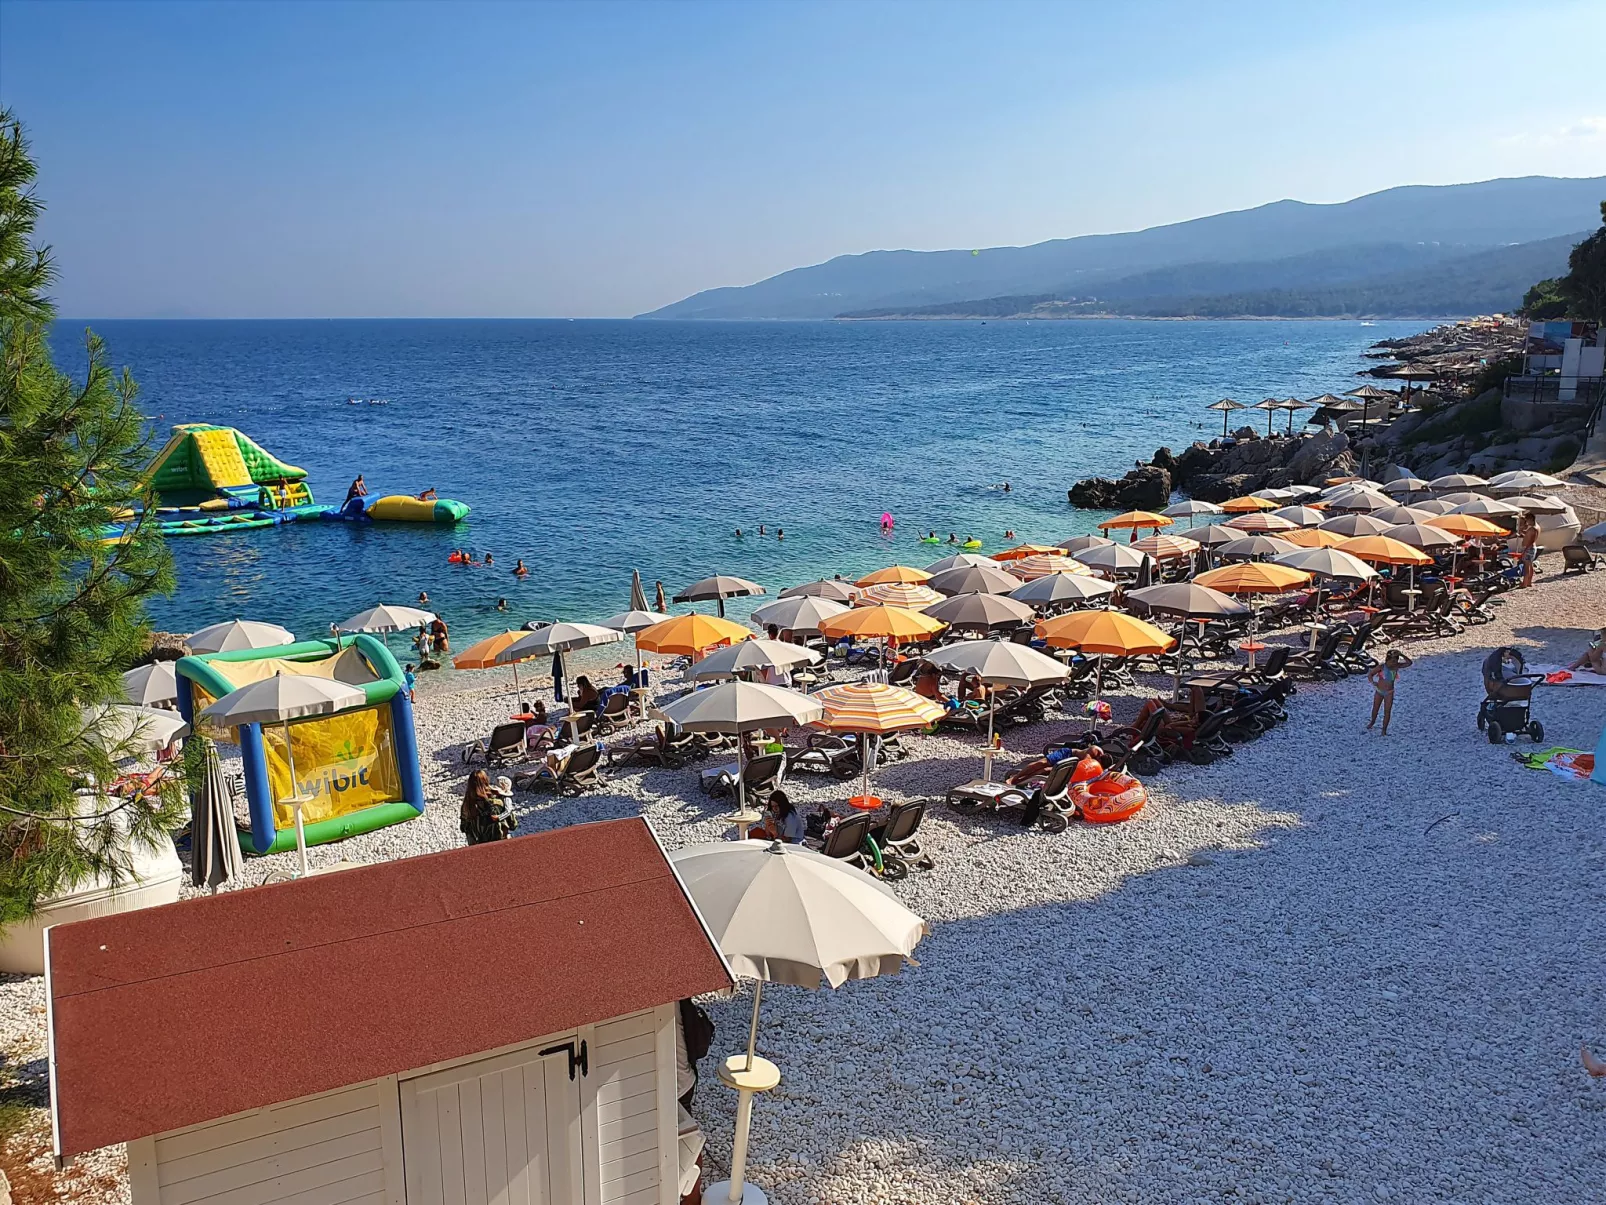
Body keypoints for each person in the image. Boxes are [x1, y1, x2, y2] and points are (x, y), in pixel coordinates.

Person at [460, 770, 515, 845]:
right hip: (501, 838)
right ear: (486, 780)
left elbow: (464, 825)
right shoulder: (498, 798)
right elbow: (512, 821)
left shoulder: (468, 802)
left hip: (479, 840)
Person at [1366, 648, 1411, 735]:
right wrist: (1372, 682)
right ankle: (1372, 721)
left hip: (1389, 692)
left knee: (1387, 711)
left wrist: (1401, 655)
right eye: (1392, 661)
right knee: (1375, 708)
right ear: (1387, 660)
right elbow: (1370, 674)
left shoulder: (1396, 666)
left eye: (1395, 661)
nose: (1393, 663)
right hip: (1379, 691)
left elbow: (1409, 663)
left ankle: (1384, 729)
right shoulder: (1381, 667)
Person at [1519, 515, 1539, 588]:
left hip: (1529, 548)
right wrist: (1523, 533)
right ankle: (1529, 582)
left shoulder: (1532, 529)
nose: (1526, 523)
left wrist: (1525, 550)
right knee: (1530, 565)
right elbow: (1530, 536)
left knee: (1527, 566)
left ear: (1530, 520)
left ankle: (1524, 583)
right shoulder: (1537, 527)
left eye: (1527, 521)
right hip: (1532, 547)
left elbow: (1530, 540)